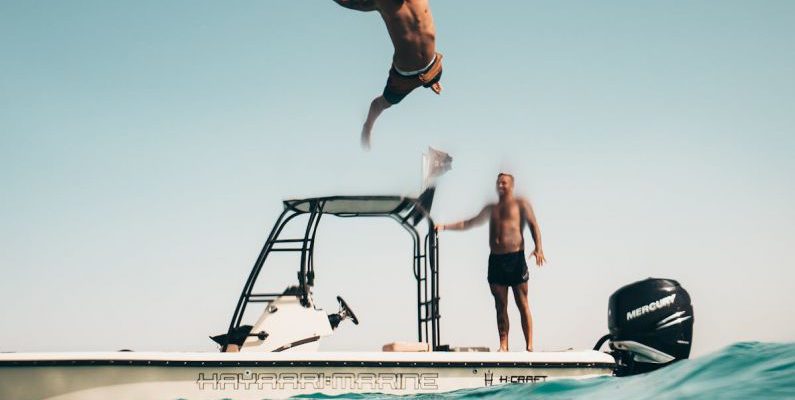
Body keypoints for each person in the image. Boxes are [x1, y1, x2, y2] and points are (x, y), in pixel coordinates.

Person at [435, 173, 546, 351]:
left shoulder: (522, 204)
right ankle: (504, 346)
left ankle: (529, 346)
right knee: (500, 305)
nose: (501, 185)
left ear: (512, 185)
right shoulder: (491, 208)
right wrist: (445, 226)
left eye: (505, 182)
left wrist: (539, 248)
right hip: (496, 260)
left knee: (522, 303)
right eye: (498, 182)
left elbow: (534, 225)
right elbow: (469, 222)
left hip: (516, 258)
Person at [331, 0, 443, 149]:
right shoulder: (381, 2)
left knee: (434, 76)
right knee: (381, 103)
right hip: (404, 77)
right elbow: (348, 2)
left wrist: (430, 79)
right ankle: (368, 126)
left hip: (433, 66)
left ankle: (430, 81)